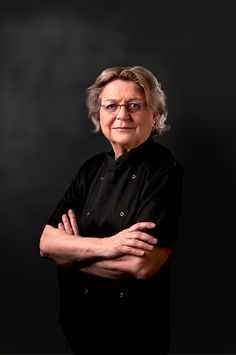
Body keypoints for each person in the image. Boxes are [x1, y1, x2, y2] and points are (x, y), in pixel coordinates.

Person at [39, 65, 184, 355]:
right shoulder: (91, 169)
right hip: (79, 326)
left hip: (133, 334)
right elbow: (46, 243)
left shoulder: (164, 171)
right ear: (99, 115)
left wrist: (70, 257)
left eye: (134, 105)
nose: (122, 115)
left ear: (155, 115)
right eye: (111, 106)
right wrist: (109, 246)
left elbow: (140, 266)